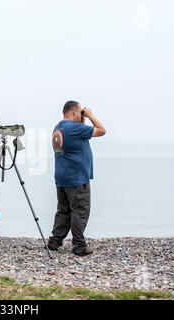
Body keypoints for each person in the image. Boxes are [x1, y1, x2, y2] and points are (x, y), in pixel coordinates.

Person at [48, 100, 106, 256]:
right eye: (79, 112)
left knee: (63, 211)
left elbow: (80, 133)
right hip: (77, 178)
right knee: (80, 211)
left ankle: (55, 241)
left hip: (62, 177)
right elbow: (101, 130)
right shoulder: (76, 128)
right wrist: (90, 115)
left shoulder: (58, 128)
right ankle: (79, 245)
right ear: (74, 112)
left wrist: (83, 119)